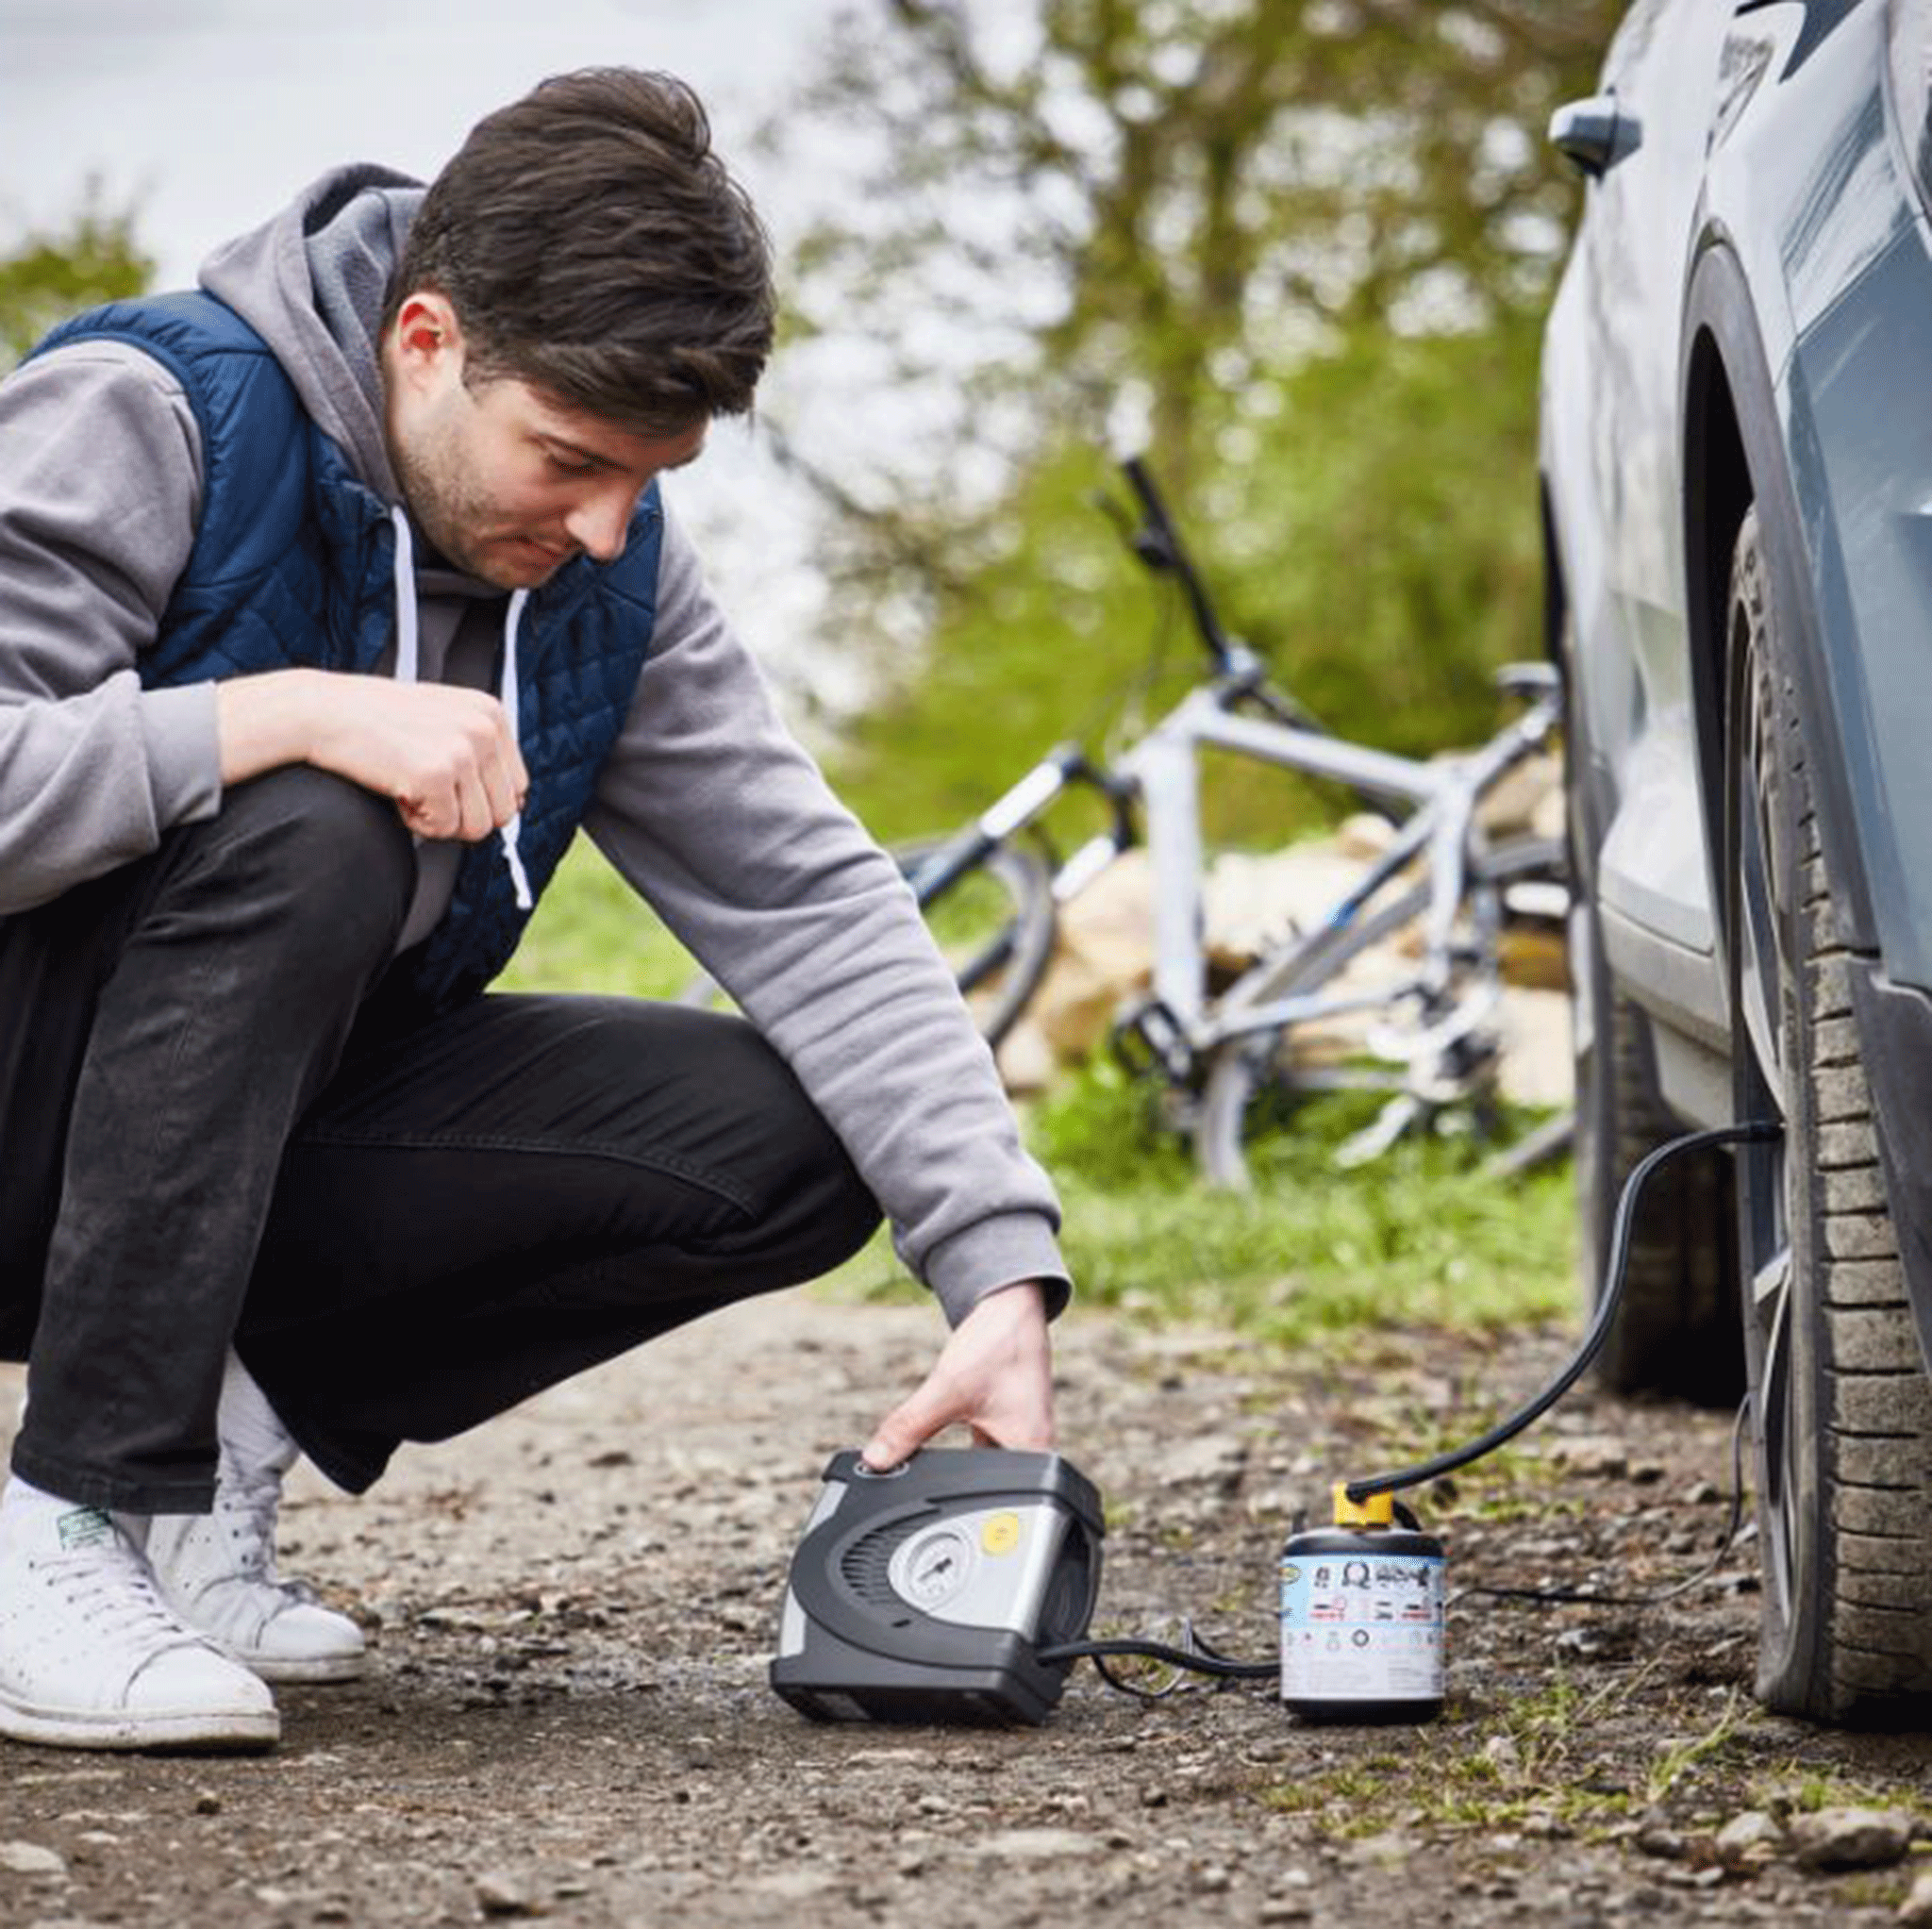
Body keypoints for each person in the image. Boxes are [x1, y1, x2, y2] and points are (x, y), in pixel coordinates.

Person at [0, 67, 1067, 1753]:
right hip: (26, 1119)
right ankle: (69, 1521)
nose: (607, 527)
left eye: (648, 477)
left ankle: (207, 1476)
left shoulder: (601, 570)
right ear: (425, 341)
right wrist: (281, 713)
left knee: (791, 1134)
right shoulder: (148, 410)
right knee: (317, 819)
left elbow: (807, 898)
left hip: (240, 1144)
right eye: (571, 460)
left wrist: (998, 1275)